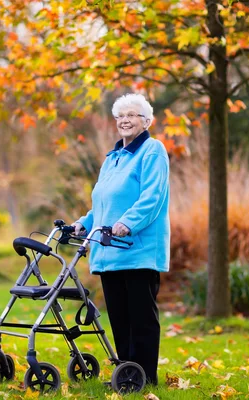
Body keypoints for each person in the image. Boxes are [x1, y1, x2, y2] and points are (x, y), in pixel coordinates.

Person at [72, 93, 170, 385]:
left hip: (138, 250)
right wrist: (83, 224)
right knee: (120, 319)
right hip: (109, 251)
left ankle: (146, 378)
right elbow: (102, 206)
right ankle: (127, 376)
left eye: (132, 115)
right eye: (120, 116)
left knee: (141, 319)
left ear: (146, 121)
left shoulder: (152, 151)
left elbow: (152, 197)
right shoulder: (112, 159)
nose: (125, 120)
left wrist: (127, 222)